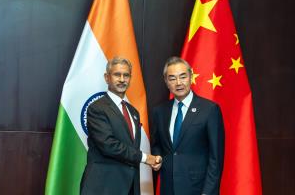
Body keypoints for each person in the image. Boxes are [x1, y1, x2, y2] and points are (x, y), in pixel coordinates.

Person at [80, 57, 162, 195]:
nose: (122, 79)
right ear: (107, 78)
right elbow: (108, 145)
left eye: (126, 75)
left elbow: (131, 146)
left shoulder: (133, 112)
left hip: (129, 186)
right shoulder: (97, 108)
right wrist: (146, 158)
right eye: (117, 74)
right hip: (103, 187)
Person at [151, 56, 225, 195]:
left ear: (191, 77)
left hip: (197, 189)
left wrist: (208, 192)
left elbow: (216, 158)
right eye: (172, 78)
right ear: (166, 82)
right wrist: (157, 157)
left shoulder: (209, 110)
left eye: (183, 76)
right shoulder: (159, 112)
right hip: (168, 188)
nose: (178, 83)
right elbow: (157, 145)